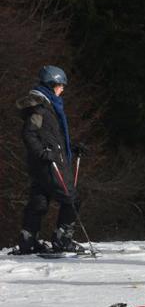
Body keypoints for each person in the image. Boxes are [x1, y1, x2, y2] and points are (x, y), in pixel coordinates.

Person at [13, 65, 89, 254]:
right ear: (52, 84)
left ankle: (28, 240)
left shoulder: (47, 106)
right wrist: (43, 153)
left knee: (40, 200)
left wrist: (70, 147)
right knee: (72, 199)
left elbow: (51, 136)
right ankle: (63, 240)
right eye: (61, 85)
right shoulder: (40, 108)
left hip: (43, 163)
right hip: (49, 164)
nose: (62, 89)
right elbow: (29, 134)